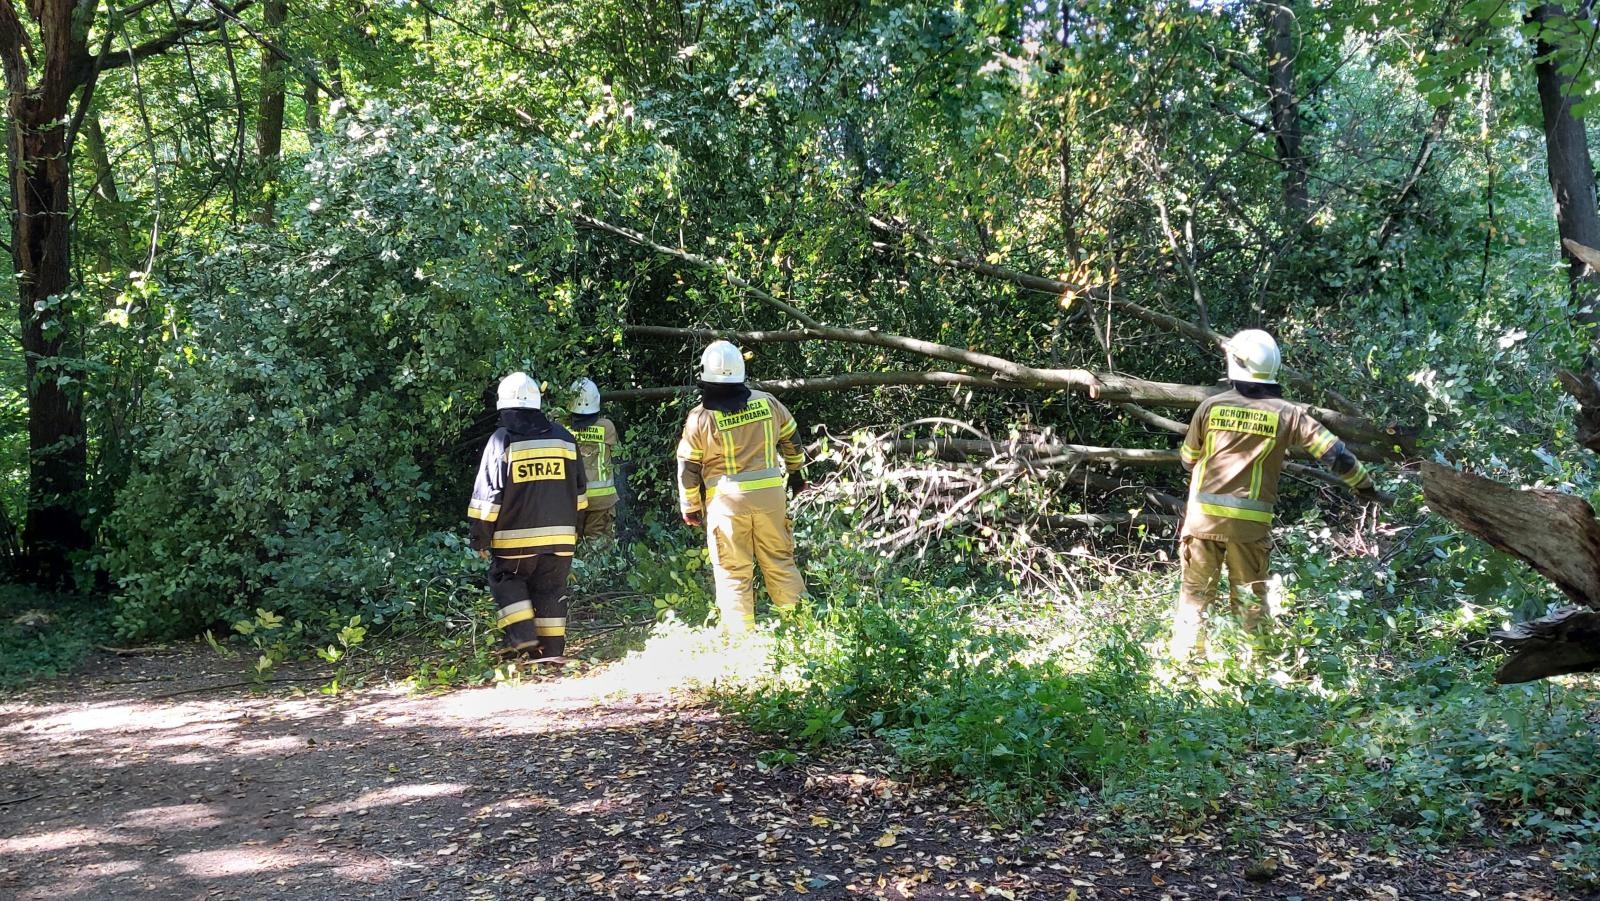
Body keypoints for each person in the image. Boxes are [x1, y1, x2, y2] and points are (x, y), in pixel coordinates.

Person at [1171, 329, 1388, 660]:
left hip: (1202, 522)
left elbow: (1187, 461)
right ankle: (1255, 670)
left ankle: (1186, 667)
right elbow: (1337, 455)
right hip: (1249, 528)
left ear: (1235, 364)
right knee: (1250, 604)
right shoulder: (1288, 414)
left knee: (1195, 598)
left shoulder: (1210, 407)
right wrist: (1365, 486)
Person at [675, 340, 807, 633]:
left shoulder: (701, 416)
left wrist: (690, 507)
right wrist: (797, 476)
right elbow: (792, 440)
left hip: (726, 503)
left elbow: (688, 467)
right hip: (771, 499)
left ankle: (741, 641)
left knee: (733, 572)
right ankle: (802, 630)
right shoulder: (768, 402)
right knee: (780, 562)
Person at [468, 372, 587, 661]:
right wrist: (576, 532)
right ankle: (551, 653)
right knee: (551, 590)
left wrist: (479, 538)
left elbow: (488, 497)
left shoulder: (502, 440)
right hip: (561, 539)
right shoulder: (564, 439)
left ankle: (522, 638)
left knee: (506, 578)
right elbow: (581, 494)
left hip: (514, 541)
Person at [566, 377, 621, 541]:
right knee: (598, 547)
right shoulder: (607, 427)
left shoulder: (563, 428)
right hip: (602, 501)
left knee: (572, 547)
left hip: (572, 500)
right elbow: (618, 455)